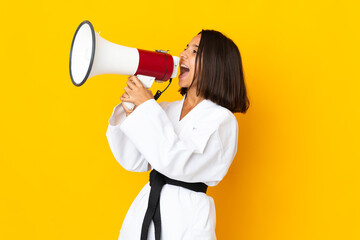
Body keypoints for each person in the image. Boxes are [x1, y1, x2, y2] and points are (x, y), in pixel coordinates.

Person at [106, 29, 250, 240]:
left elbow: (177, 161)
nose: (182, 54)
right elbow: (133, 159)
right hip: (144, 212)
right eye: (185, 47)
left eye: (194, 51)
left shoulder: (222, 120)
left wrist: (146, 107)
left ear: (215, 65)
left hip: (186, 221)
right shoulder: (165, 109)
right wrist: (131, 109)